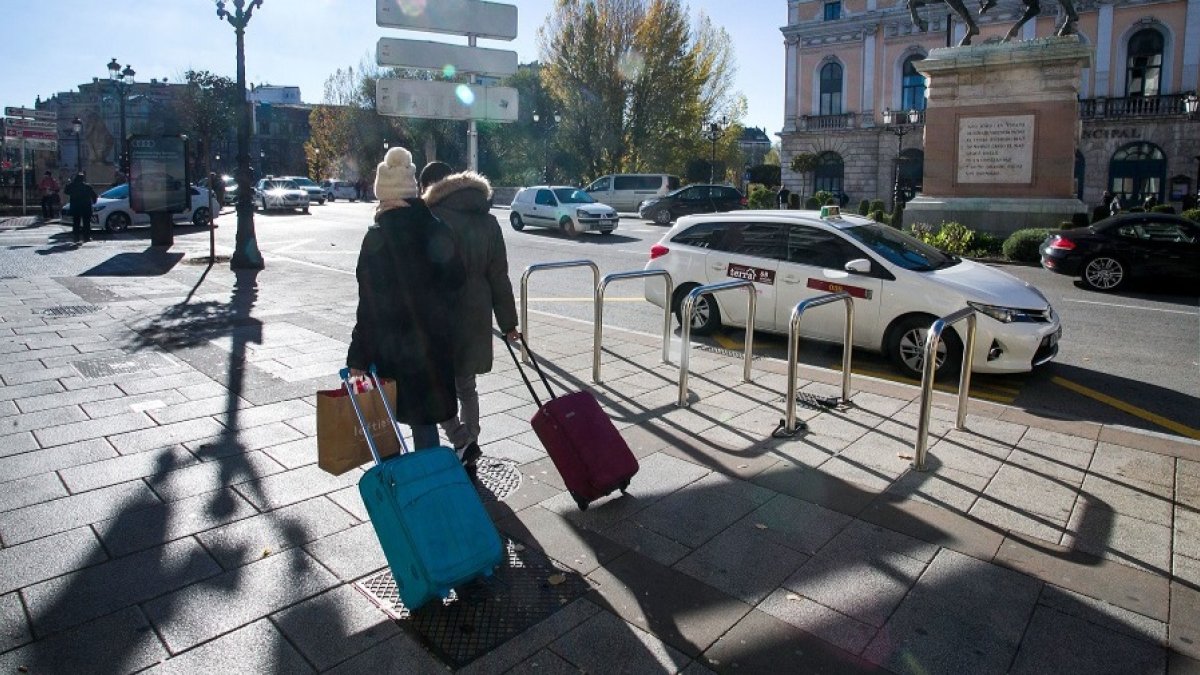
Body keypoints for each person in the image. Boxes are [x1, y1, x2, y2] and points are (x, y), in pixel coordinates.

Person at [346, 147, 465, 452]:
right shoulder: (438, 229)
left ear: (383, 196)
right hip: (432, 347)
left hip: (393, 349)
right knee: (424, 422)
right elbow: (457, 284)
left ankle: (402, 487)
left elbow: (369, 306)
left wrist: (358, 356)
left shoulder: (377, 238)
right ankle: (429, 484)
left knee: (385, 424)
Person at [419, 161, 520, 477]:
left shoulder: (432, 218)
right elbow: (499, 276)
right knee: (466, 383)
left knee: (434, 382)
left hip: (443, 309)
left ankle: (461, 440)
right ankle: (471, 445)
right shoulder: (489, 222)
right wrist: (509, 323)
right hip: (478, 309)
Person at [63, 173, 97, 243]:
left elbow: (66, 191)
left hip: (76, 207)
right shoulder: (87, 186)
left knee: (76, 223)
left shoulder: (72, 186)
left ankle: (76, 238)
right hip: (86, 207)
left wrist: (68, 184)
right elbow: (94, 196)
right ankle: (86, 237)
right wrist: (94, 202)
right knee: (86, 223)